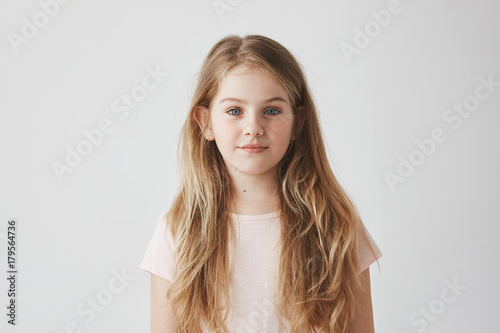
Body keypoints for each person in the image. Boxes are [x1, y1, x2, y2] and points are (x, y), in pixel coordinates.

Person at [140, 34, 383, 333]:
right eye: (234, 111)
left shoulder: (335, 226)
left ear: (299, 122)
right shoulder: (177, 231)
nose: (253, 127)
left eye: (271, 111)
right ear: (205, 123)